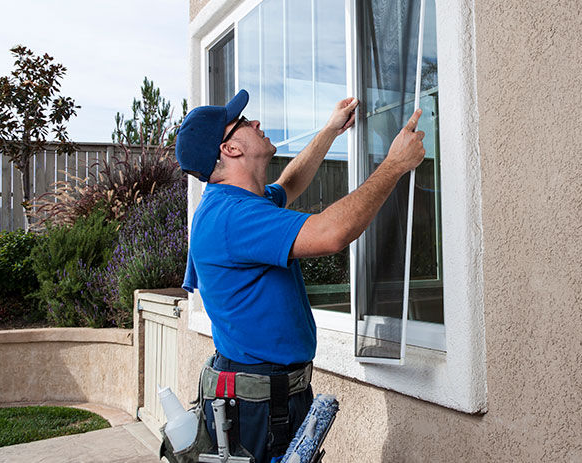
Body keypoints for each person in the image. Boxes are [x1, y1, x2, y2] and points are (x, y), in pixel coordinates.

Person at [175, 89, 424, 463]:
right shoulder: (232, 219)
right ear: (230, 149)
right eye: (243, 123)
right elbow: (331, 234)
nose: (256, 122)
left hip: (270, 394)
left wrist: (330, 130)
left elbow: (289, 185)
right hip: (257, 407)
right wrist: (394, 165)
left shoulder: (242, 203)